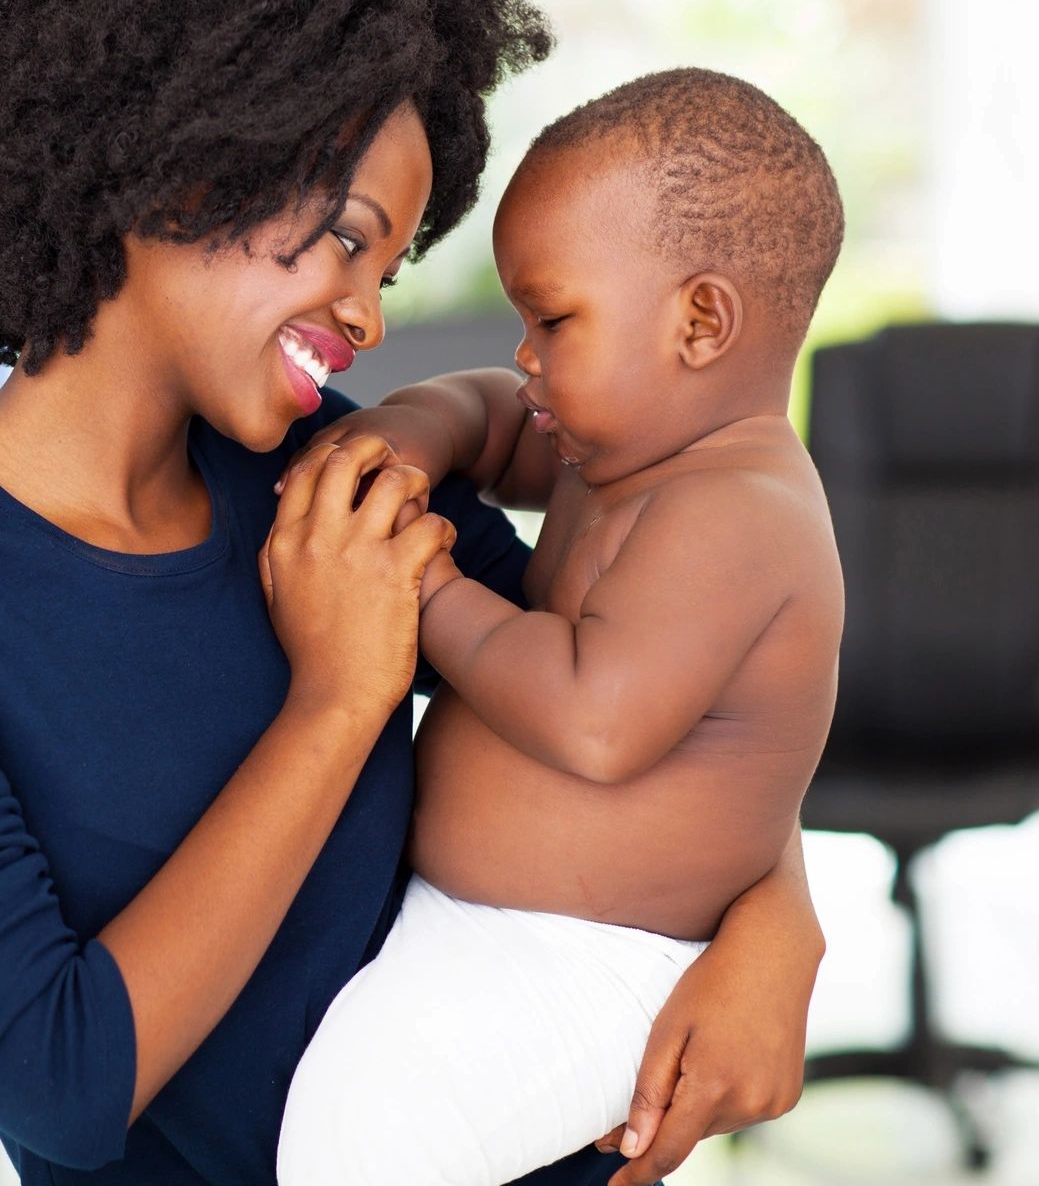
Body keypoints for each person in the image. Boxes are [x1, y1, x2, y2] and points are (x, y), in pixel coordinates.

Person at [0, 0, 825, 1186]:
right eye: (344, 237)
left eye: (388, 266)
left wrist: (782, 925)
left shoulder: (331, 475)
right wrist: (337, 701)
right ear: (178, 160)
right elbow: (62, 1079)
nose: (371, 316)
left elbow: (655, 701)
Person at [275, 68, 846, 1185]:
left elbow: (596, 720)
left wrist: (418, 586)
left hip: (601, 960)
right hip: (484, 923)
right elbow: (493, 410)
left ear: (699, 321)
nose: (526, 352)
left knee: (360, 1141)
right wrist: (409, 432)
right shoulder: (622, 442)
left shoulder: (736, 513)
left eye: (554, 318)